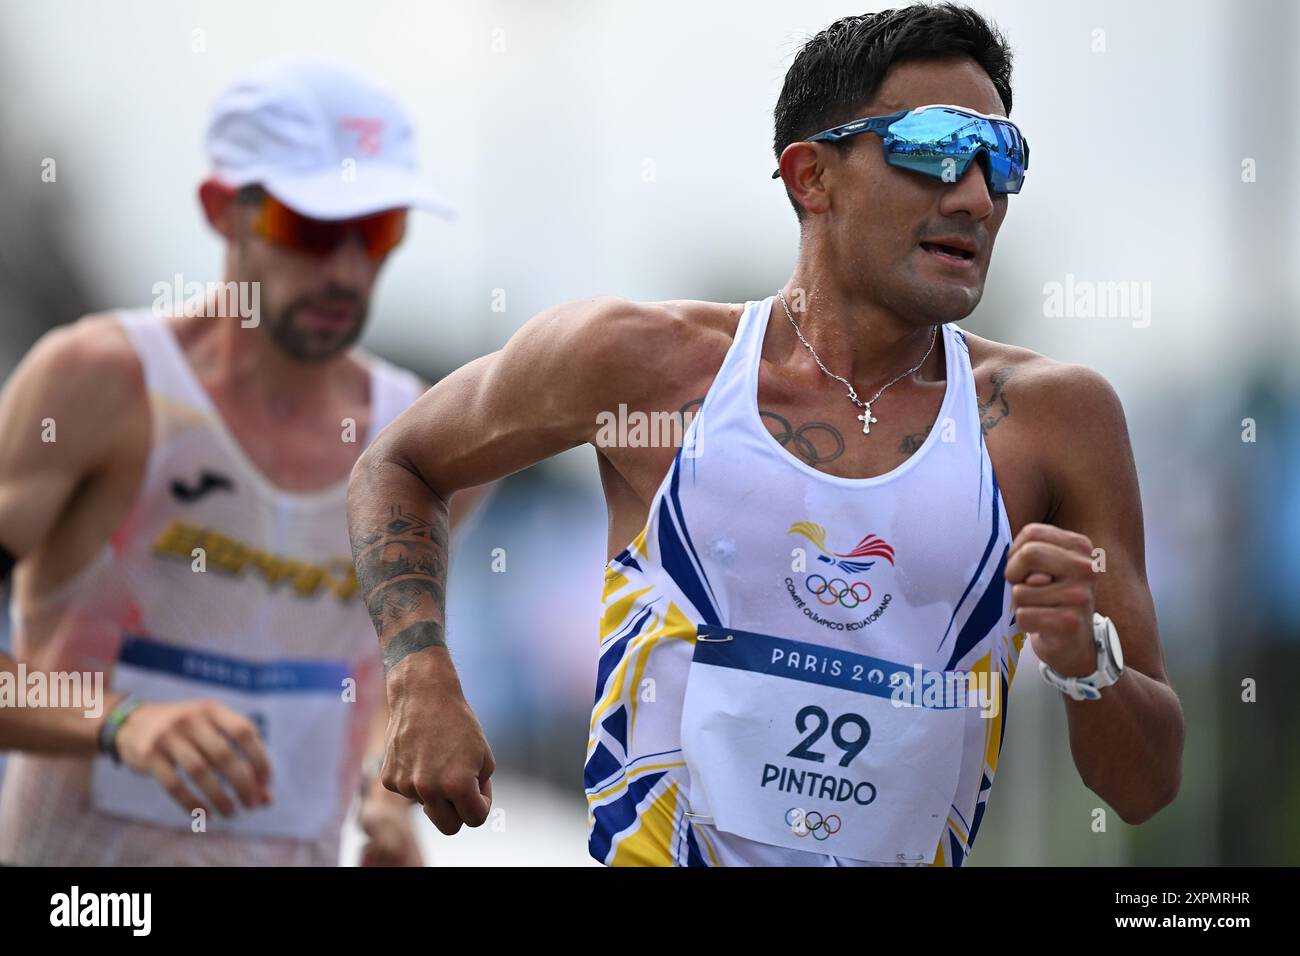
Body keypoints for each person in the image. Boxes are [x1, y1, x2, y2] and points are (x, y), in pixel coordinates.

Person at [346, 4, 1184, 866]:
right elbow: (400, 462)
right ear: (810, 176)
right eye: (933, 147)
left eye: (1000, 159)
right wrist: (421, 676)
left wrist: (1090, 665)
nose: (974, 195)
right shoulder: (643, 366)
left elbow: (1146, 785)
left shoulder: (1054, 420)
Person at [0, 60, 484, 865]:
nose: (345, 270)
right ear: (224, 210)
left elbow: (366, 688)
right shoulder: (101, 384)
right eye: (312, 229)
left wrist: (382, 792)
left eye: (376, 232)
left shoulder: (417, 441)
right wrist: (122, 724)